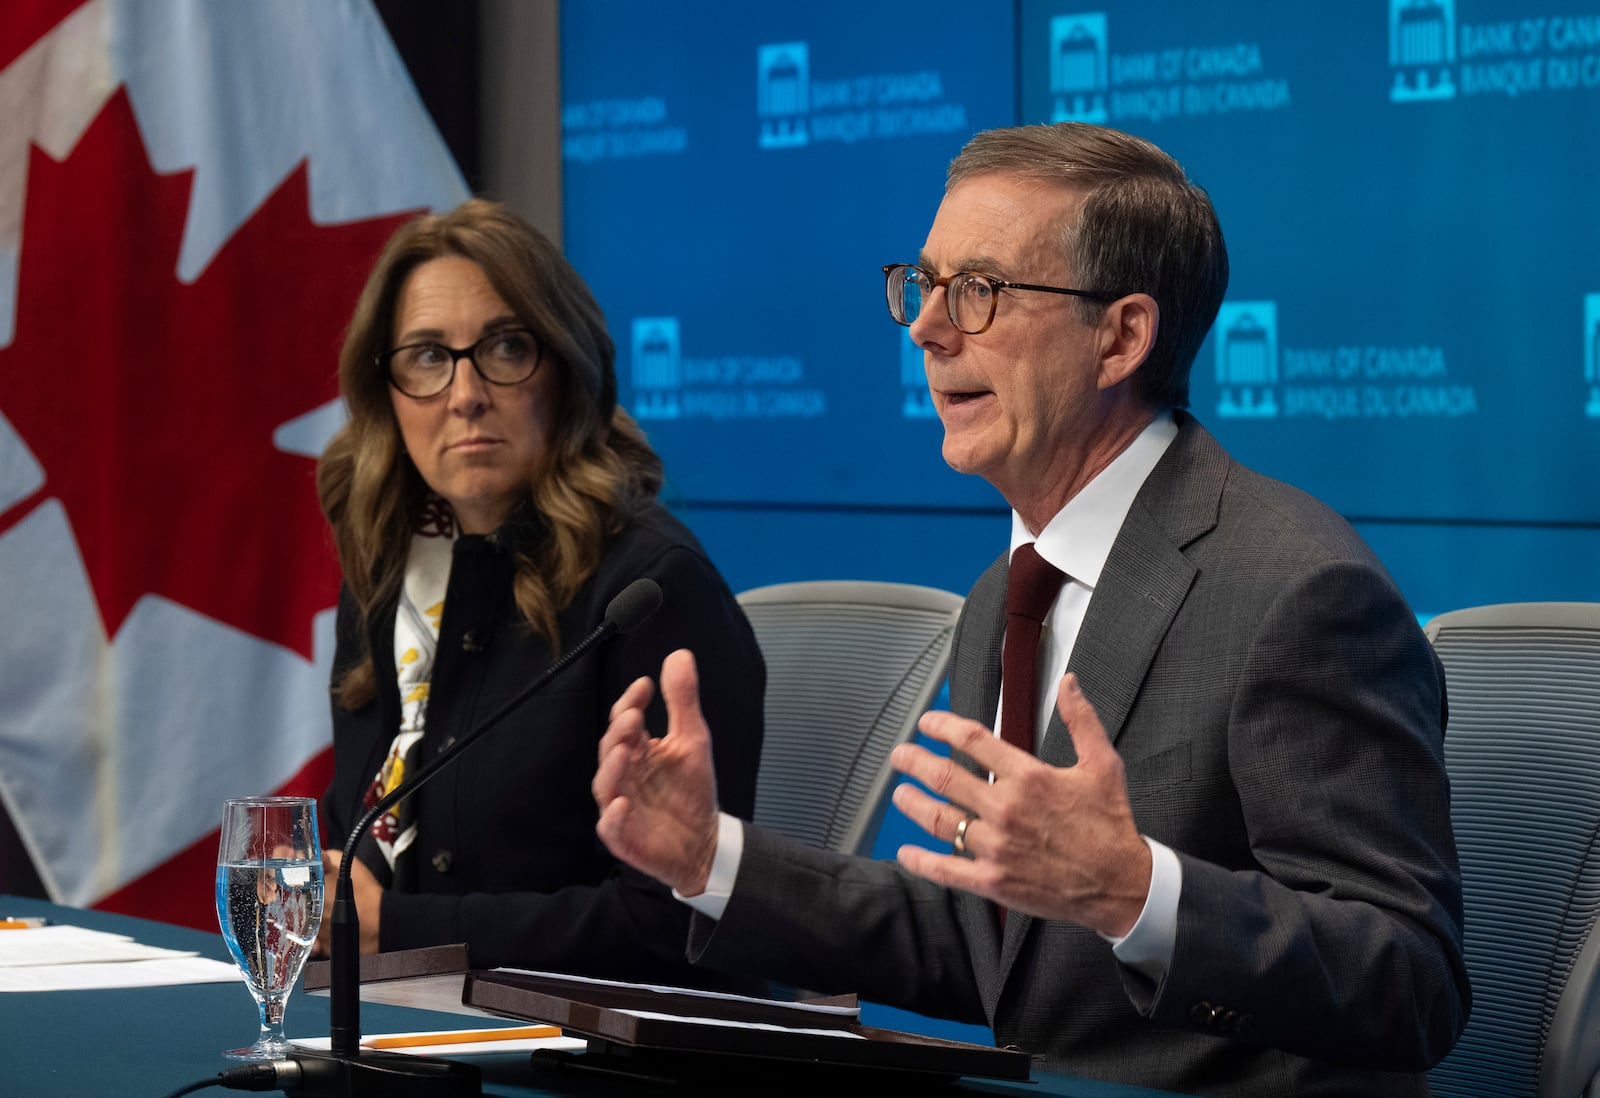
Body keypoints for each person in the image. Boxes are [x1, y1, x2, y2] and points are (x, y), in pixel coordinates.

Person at [593, 123, 1469, 1095]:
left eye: (981, 291)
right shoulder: (1003, 596)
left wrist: (1135, 891)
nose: (927, 328)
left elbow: (1411, 979)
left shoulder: (1296, 593)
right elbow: (992, 952)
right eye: (921, 285)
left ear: (1121, 337)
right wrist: (713, 858)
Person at [315, 198, 764, 986]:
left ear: (567, 370)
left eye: (506, 348)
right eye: (426, 356)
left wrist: (401, 927)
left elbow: (677, 921)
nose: (465, 394)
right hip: (403, 1017)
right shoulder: (390, 574)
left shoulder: (651, 589)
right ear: (384, 391)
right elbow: (357, 829)